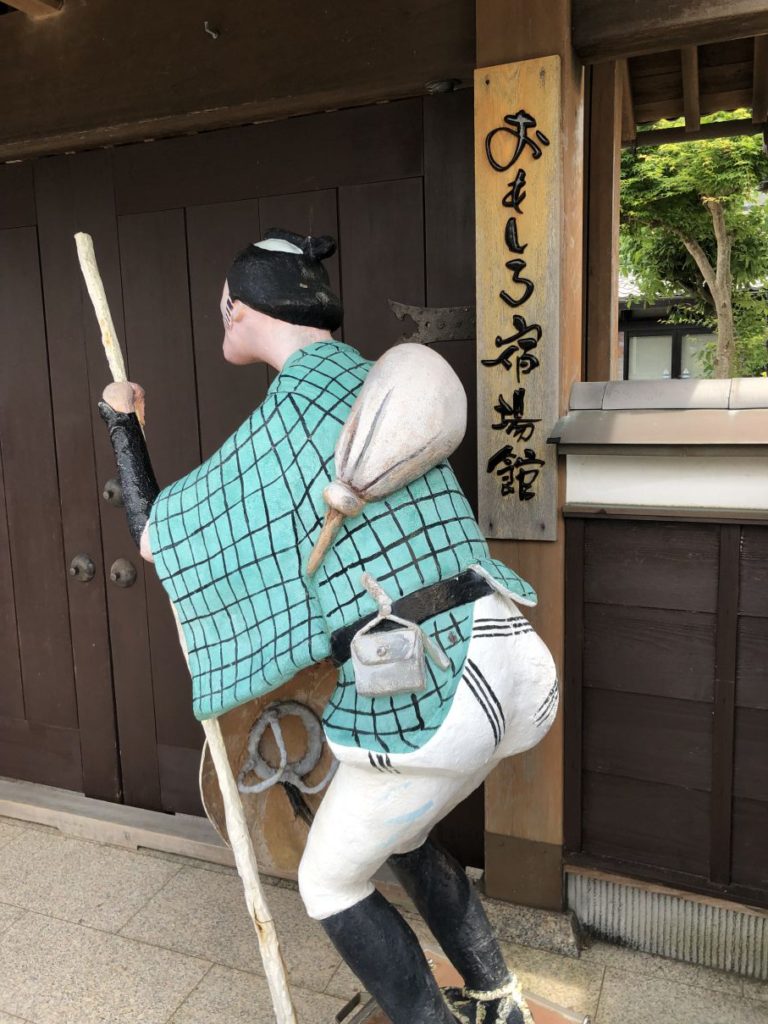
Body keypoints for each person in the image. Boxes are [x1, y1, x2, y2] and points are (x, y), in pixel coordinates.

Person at [99, 228, 559, 1024]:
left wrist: (121, 424)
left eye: (223, 309)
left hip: (436, 686)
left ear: (239, 310)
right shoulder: (375, 378)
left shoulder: (290, 418)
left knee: (327, 880)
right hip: (510, 652)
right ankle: (498, 1000)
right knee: (404, 837)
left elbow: (157, 537)